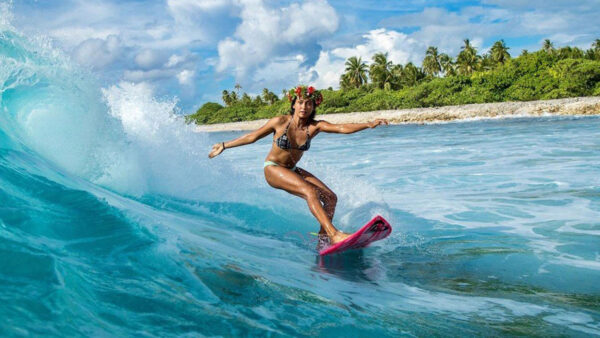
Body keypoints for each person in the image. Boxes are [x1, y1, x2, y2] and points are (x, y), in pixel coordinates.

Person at [208, 85, 388, 247]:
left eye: (308, 103)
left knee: (331, 197)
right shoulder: (280, 122)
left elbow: (341, 128)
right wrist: (224, 145)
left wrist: (368, 124)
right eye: (300, 102)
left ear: (313, 106)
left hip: (292, 170)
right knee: (310, 191)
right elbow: (252, 137)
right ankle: (334, 234)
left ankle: (323, 239)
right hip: (273, 169)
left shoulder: (314, 127)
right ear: (293, 104)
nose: (304, 107)